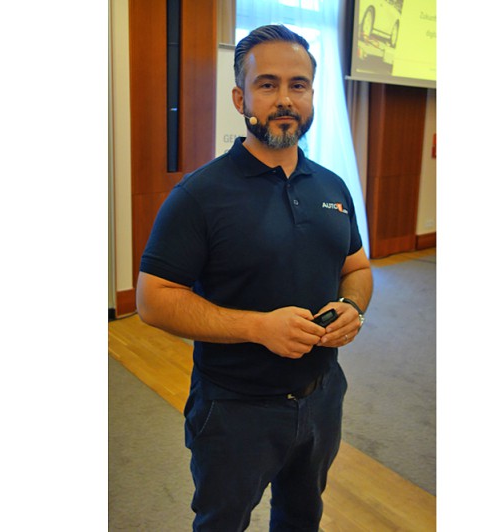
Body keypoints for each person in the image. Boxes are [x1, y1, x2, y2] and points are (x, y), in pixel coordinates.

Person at [136, 24, 373, 532]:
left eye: (298, 85)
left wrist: (353, 307)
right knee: (223, 522)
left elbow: (356, 267)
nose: (285, 98)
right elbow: (153, 300)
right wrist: (258, 327)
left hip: (322, 396)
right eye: (268, 85)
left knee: (302, 516)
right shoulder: (199, 195)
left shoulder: (332, 187)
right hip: (233, 408)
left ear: (311, 95)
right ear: (240, 98)